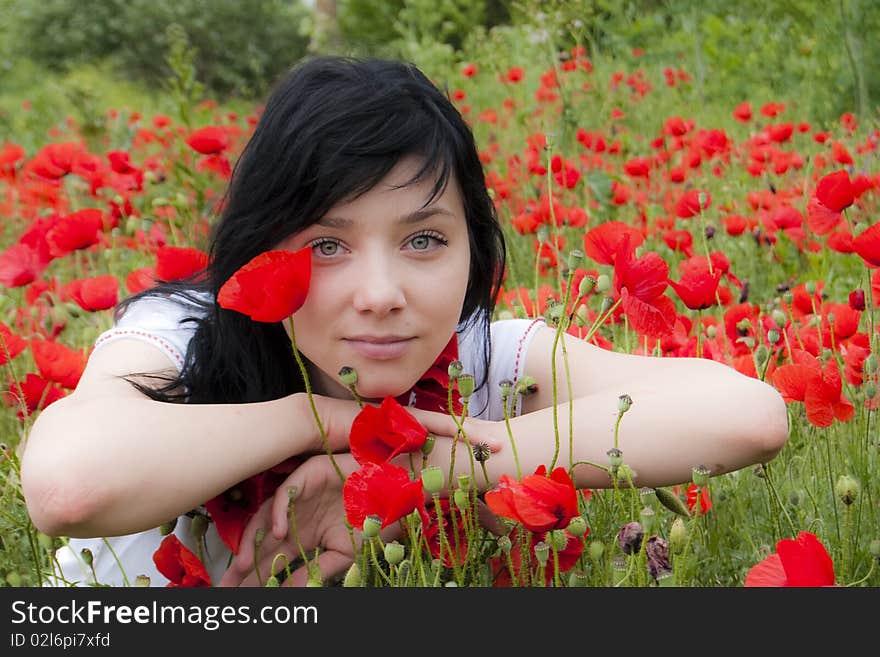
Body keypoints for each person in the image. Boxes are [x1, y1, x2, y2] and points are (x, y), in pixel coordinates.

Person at [20, 56, 790, 588]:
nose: (382, 292)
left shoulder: (484, 357)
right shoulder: (181, 334)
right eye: (327, 244)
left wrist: (429, 469)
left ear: (473, 249)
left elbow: (748, 415)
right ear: (258, 251)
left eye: (424, 239)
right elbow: (66, 488)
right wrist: (316, 420)